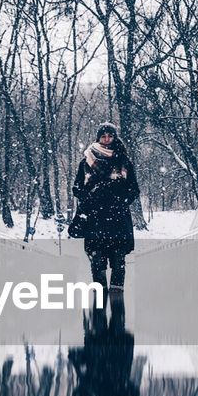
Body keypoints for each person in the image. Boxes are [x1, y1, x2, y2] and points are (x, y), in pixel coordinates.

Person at [68, 295, 140, 396]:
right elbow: (134, 393)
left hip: (97, 365)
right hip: (117, 364)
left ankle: (99, 274)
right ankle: (118, 275)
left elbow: (77, 395)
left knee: (98, 318)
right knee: (118, 319)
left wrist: (88, 386)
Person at [71, 122, 140, 290]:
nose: (107, 139)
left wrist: (121, 201)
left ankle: (118, 305)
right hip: (95, 219)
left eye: (110, 136)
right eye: (103, 136)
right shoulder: (86, 161)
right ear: (98, 138)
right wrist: (90, 198)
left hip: (118, 219)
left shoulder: (124, 161)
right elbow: (77, 188)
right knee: (97, 262)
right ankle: (99, 305)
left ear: (115, 137)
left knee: (118, 261)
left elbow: (133, 189)